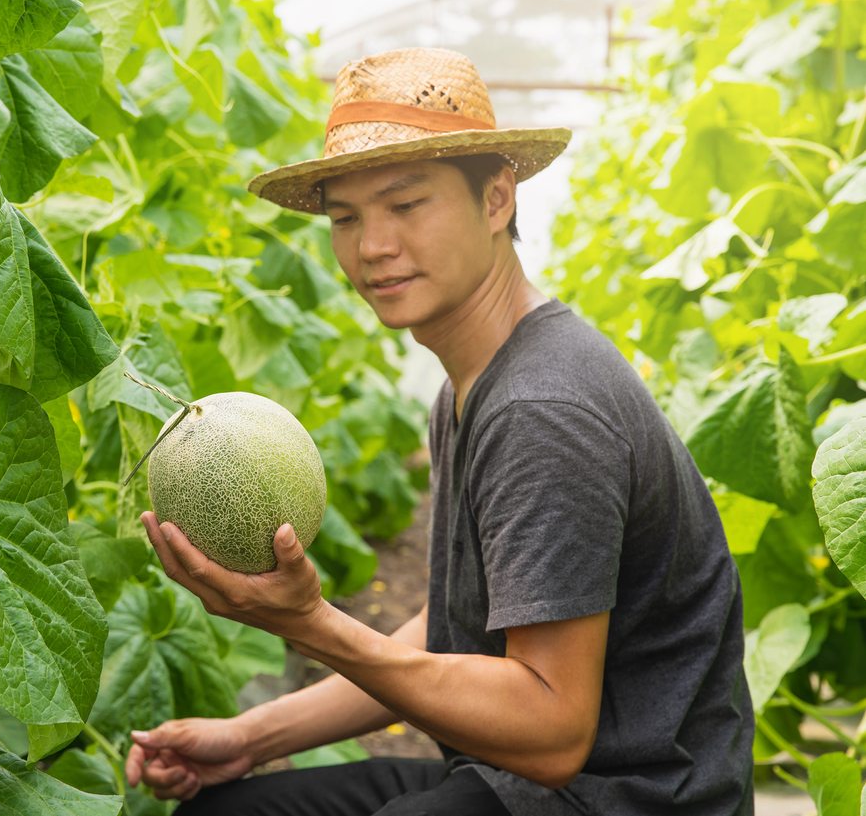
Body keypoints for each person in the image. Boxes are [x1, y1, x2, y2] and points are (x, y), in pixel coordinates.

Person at [124, 47, 753, 816]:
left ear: (497, 200)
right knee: (228, 810)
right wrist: (253, 735)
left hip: (631, 796)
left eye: (405, 204)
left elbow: (553, 730)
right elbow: (458, 627)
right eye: (346, 218)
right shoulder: (476, 380)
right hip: (519, 778)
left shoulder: (540, 407)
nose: (372, 246)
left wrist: (308, 623)